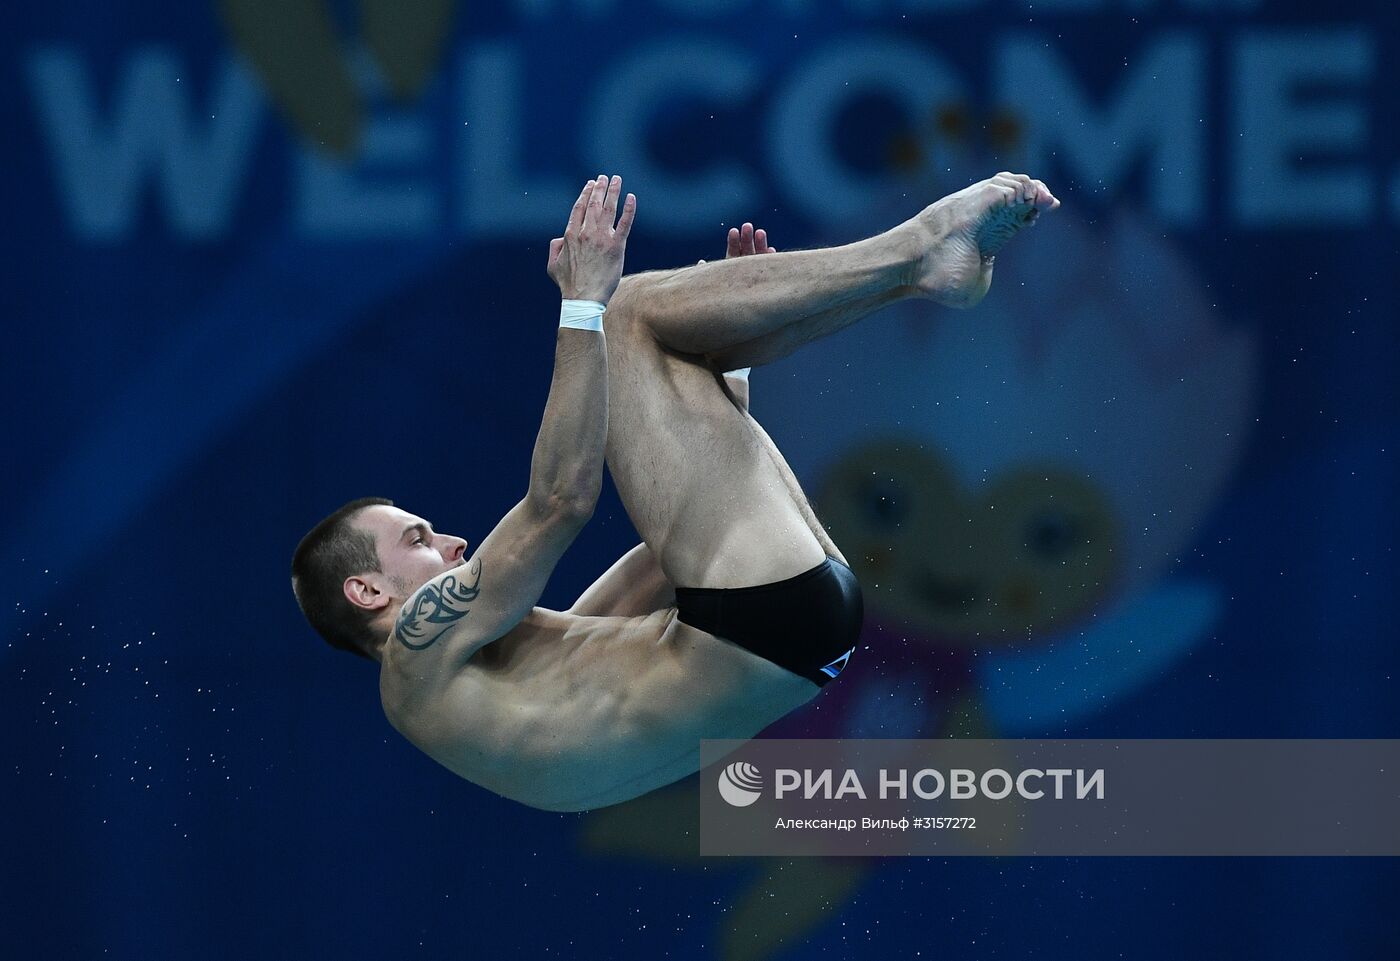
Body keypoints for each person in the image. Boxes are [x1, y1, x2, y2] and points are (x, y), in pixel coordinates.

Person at [291, 171, 1059, 811]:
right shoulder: (415, 652)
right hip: (760, 623)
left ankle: (912, 278)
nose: (451, 542)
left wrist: (722, 377)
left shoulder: (497, 687)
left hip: (793, 630)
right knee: (626, 315)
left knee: (681, 350)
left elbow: (660, 562)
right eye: (417, 540)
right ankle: (919, 248)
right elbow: (561, 500)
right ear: (365, 590)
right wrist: (581, 302)